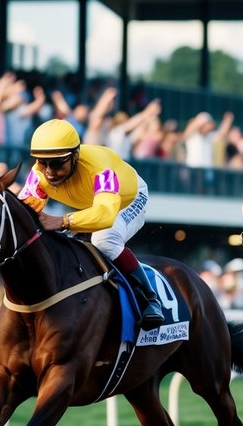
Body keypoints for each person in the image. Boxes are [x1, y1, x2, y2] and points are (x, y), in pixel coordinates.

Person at [18, 118, 164, 330]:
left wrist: (62, 221)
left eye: (57, 163)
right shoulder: (39, 174)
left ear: (75, 156)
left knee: (104, 240)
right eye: (42, 162)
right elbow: (25, 213)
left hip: (128, 199)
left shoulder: (100, 167)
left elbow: (105, 215)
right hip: (94, 203)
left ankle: (150, 299)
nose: (48, 171)